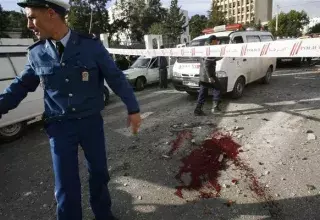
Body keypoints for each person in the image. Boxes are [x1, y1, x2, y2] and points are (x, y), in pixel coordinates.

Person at [0, 0, 142, 220]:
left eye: (32, 17)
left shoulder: (91, 46)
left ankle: (103, 214)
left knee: (99, 174)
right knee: (65, 184)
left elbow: (116, 78)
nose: (29, 24)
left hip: (90, 124)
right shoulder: (37, 53)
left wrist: (133, 108)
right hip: (59, 127)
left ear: (50, 13)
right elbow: (19, 87)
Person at [194, 35, 222, 116]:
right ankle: (215, 108)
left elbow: (211, 59)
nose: (217, 43)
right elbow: (207, 64)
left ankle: (198, 110)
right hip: (209, 75)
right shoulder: (210, 50)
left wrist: (222, 56)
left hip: (203, 75)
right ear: (213, 41)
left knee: (203, 92)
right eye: (216, 41)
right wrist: (210, 77)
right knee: (218, 88)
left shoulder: (204, 49)